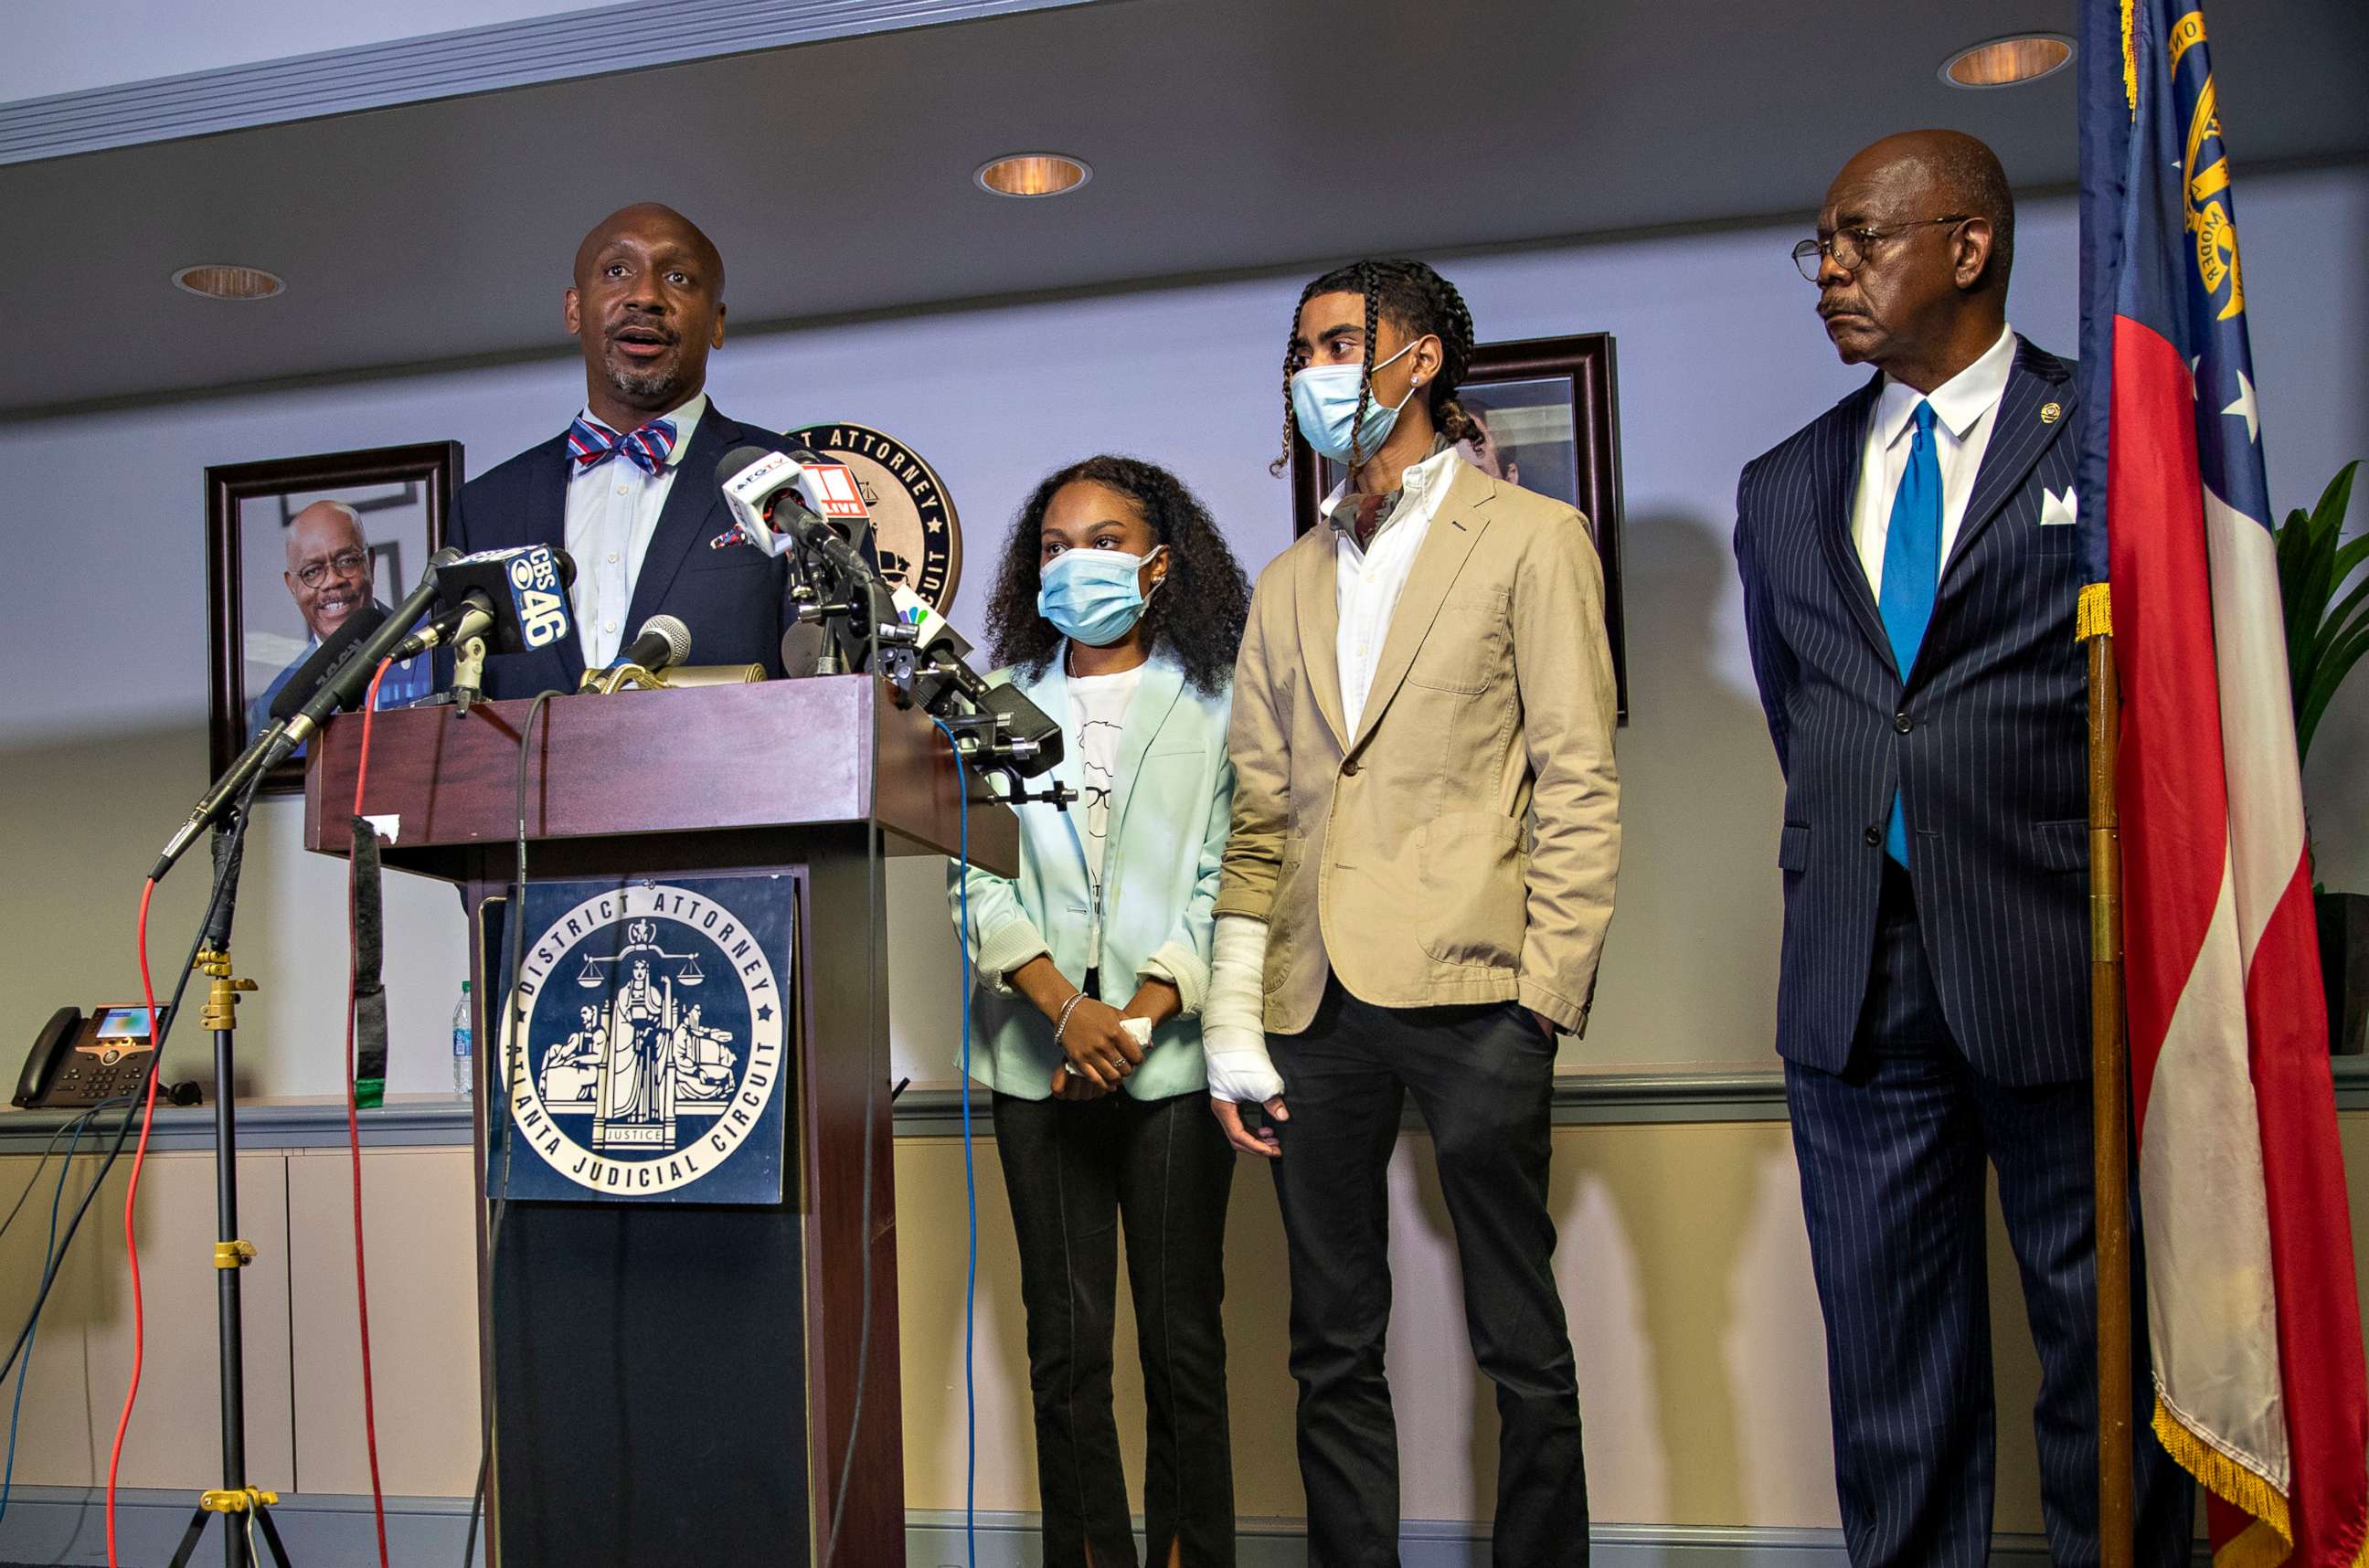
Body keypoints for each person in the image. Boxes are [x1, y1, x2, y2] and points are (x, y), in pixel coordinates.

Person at [1733, 130, 2192, 1566]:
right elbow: (1810, 715)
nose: (1834, 274)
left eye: (1864, 239)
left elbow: (2169, 706)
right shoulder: (1783, 484)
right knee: (1891, 1373)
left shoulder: (2113, 428)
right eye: (1823, 247)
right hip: (1855, 983)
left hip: (2061, 957)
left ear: (1971, 245)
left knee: (2100, 1353)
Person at [1202, 258, 1620, 1567]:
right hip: (1308, 1005)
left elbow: (1580, 779)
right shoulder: (1284, 584)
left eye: (1341, 343)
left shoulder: (1532, 539)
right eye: (1303, 350)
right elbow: (1257, 821)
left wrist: (1544, 996)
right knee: (1329, 1343)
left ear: (1423, 357)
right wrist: (1232, 1024)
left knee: (1519, 1338)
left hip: (1479, 993)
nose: (1315, 373)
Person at [949, 455, 1249, 1568]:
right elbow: (969, 877)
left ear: (1160, 562)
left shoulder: (1218, 702)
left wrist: (1134, 1016)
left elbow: (1231, 870)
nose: (1079, 562)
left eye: (1107, 539)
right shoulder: (990, 708)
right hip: (1034, 1064)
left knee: (1183, 1343)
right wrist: (1066, 1011)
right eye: (1056, 546)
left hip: (1165, 1068)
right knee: (1065, 1349)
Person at [448, 202, 792, 699]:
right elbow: (451, 721)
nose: (646, 296)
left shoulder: (791, 479)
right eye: (616, 271)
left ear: (717, 324)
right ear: (573, 309)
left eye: (677, 277)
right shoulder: (484, 509)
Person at [245, 499, 432, 737]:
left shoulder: (433, 647)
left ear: (370, 564)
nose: (333, 580)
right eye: (312, 571)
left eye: (347, 561)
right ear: (292, 587)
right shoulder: (275, 709)